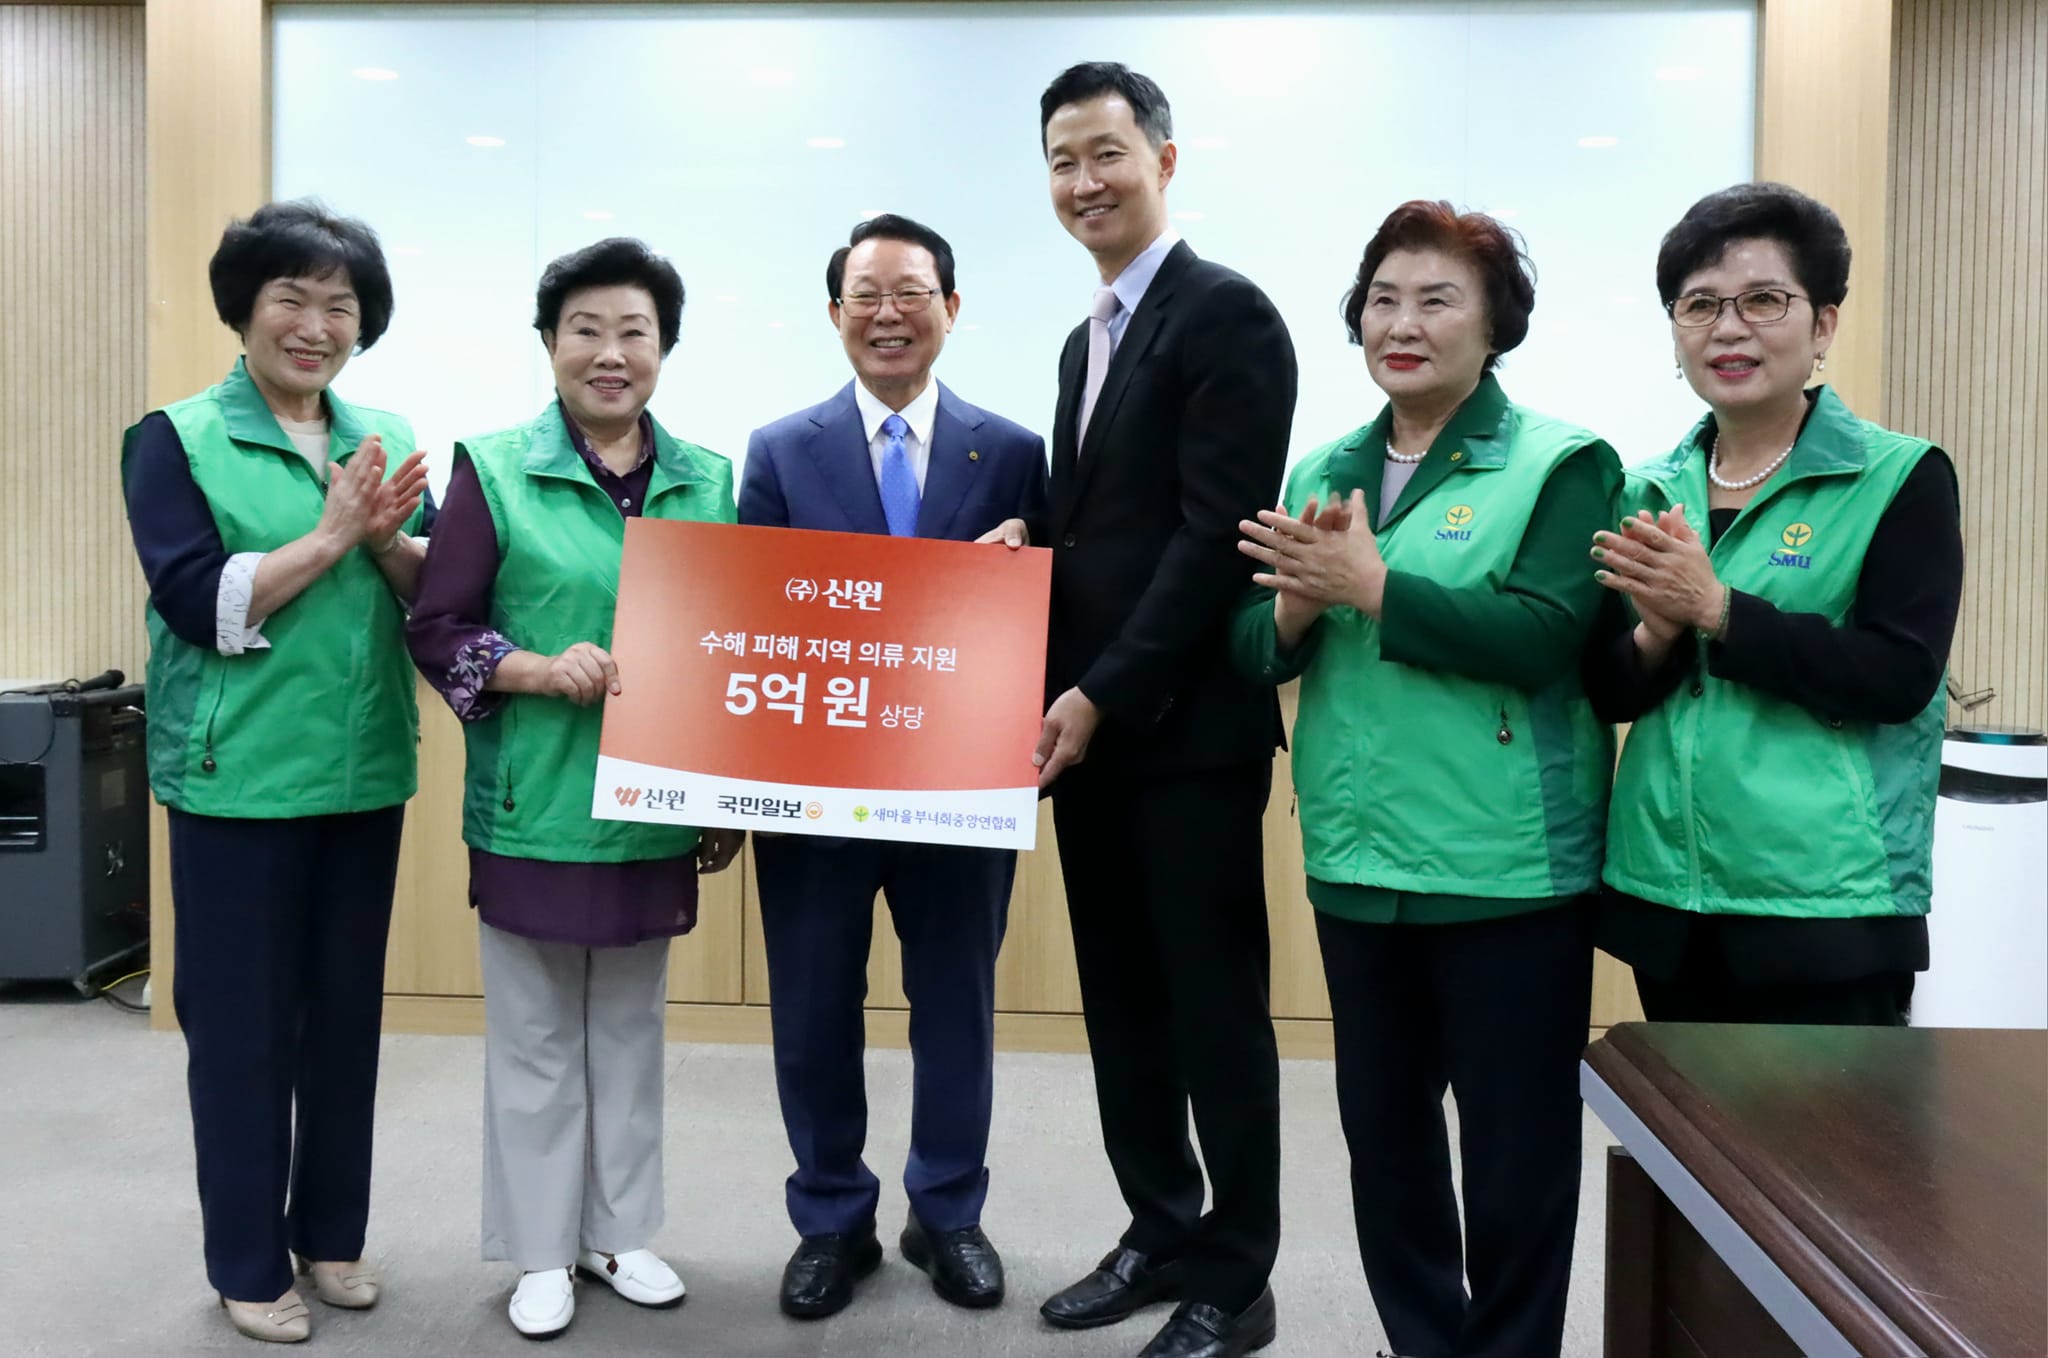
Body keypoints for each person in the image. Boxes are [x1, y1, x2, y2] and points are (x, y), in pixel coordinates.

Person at [1233, 201, 1620, 1358]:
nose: (1400, 323)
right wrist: (1291, 612)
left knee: (1513, 1157)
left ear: (1495, 324)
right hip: (1356, 859)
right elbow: (1252, 645)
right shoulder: (1326, 465)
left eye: (1436, 299)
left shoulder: (1561, 462)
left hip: (1505, 870)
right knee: (1386, 1144)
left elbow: (1544, 637)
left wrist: (1369, 587)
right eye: (1381, 299)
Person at [982, 62, 1297, 1358]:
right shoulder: (1087, 338)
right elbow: (1109, 518)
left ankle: (1240, 1271)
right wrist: (1030, 533)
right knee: (1122, 1003)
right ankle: (1159, 1224)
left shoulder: (1228, 315)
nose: (1084, 181)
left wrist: (1103, 690)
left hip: (1184, 736)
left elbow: (1213, 534)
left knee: (1214, 1012)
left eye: (1106, 153)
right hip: (1091, 741)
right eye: (1061, 160)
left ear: (1165, 160)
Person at [405, 237, 743, 1340]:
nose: (610, 353)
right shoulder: (495, 468)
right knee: (537, 1038)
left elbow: (733, 646)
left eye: (633, 332)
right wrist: (536, 669)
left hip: (653, 802)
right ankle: (542, 1251)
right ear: (549, 342)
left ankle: (620, 1232)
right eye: (585, 330)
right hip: (535, 800)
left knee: (631, 1029)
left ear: (663, 348)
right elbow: (437, 625)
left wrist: (725, 796)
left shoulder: (708, 479)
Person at [122, 199, 429, 1345]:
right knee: (243, 1034)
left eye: (339, 305)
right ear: (243, 309)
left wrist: (390, 541)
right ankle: (247, 1262)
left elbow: (432, 593)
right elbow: (195, 601)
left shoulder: (382, 432)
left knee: (344, 1025)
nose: (314, 325)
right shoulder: (176, 437)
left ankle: (331, 1236)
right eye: (290, 298)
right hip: (235, 782)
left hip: (362, 774)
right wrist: (332, 534)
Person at [738, 213, 1047, 1321]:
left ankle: (947, 1211)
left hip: (960, 789)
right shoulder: (780, 450)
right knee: (813, 1004)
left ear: (950, 309)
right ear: (835, 315)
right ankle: (831, 1219)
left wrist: (1014, 578)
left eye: (911, 292)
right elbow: (753, 622)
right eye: (865, 294)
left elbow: (1045, 617)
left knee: (955, 1002)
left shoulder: (1014, 452)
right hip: (813, 791)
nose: (888, 313)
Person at [1585, 182, 1963, 1025]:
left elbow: (1900, 675)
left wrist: (1721, 610)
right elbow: (1609, 692)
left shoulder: (1898, 476)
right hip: (1667, 892)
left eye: (1763, 300)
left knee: (1826, 1121)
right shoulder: (1645, 489)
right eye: (1700, 305)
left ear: (1823, 325)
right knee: (1675, 1117)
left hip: (1826, 902)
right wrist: (1657, 635)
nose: (1728, 328)